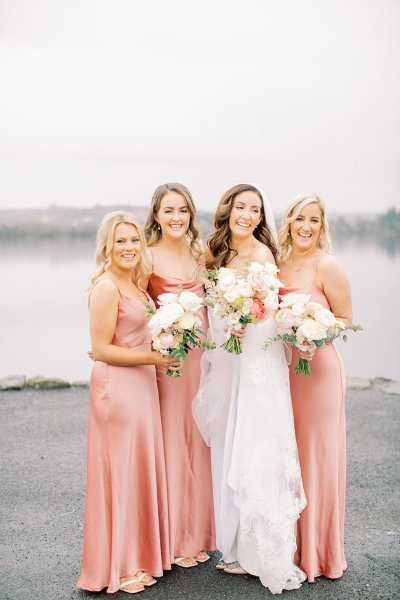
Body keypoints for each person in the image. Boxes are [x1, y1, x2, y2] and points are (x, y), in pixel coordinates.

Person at [193, 184, 306, 594]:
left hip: (257, 359)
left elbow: (271, 311)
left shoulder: (262, 253)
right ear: (228, 209)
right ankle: (236, 547)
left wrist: (248, 321)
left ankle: (263, 552)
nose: (247, 215)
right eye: (241, 207)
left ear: (262, 217)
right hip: (228, 357)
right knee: (229, 443)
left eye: (255, 210)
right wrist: (227, 324)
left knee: (256, 444)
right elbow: (209, 302)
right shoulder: (214, 251)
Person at [77, 211, 180, 595]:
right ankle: (116, 568)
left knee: (136, 472)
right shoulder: (106, 288)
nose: (129, 247)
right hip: (117, 389)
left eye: (134, 240)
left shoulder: (137, 285)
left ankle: (138, 556)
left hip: (143, 388)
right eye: (120, 241)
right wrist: (155, 359)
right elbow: (101, 348)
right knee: (117, 475)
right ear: (107, 245)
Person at [278, 192, 352, 583]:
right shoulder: (276, 263)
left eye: (314, 220)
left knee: (316, 458)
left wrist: (317, 333)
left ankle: (320, 555)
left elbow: (345, 319)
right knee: (286, 457)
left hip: (319, 372)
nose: (306, 226)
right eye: (299, 219)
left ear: (321, 226)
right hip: (284, 372)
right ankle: (286, 548)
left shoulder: (328, 266)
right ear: (288, 222)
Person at [144, 183, 216, 568]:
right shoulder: (145, 255)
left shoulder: (199, 251)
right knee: (173, 440)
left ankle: (200, 533)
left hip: (203, 358)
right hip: (169, 360)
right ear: (156, 214)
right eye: (168, 210)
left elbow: (219, 300)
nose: (176, 218)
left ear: (190, 214)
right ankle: (173, 536)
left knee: (201, 440)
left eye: (183, 210)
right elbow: (137, 306)